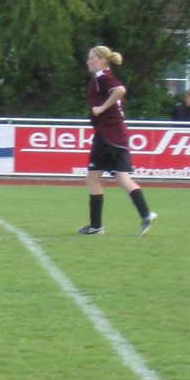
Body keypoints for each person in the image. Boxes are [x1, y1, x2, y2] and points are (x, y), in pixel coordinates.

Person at [78, 46, 157, 237]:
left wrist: (101, 108)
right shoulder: (105, 77)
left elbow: (120, 90)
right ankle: (146, 214)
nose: (88, 61)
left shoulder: (101, 77)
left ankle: (96, 226)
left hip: (106, 136)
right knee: (123, 178)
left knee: (92, 179)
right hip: (120, 136)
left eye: (91, 58)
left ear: (102, 60)